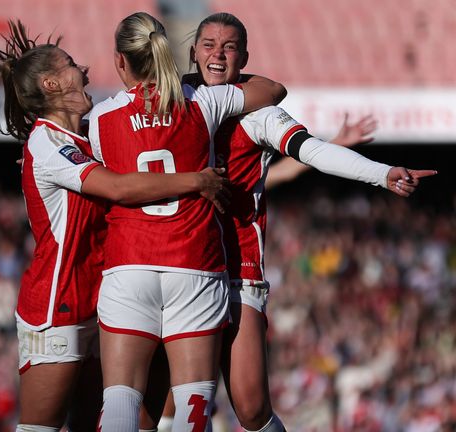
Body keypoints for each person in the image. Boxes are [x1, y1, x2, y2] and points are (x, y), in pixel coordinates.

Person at [143, 13, 437, 432]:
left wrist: (381, 172)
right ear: (193, 51)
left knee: (250, 408)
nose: (218, 54)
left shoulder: (260, 112)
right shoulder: (174, 101)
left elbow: (310, 150)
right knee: (171, 403)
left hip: (237, 272)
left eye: (229, 47)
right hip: (178, 266)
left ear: (245, 56)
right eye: (208, 44)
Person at [0, 21, 233, 432]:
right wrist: (196, 179)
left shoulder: (86, 138)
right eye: (69, 65)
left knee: (111, 420)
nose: (82, 69)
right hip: (58, 302)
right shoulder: (47, 142)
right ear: (50, 84)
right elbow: (117, 187)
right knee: (39, 428)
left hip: (103, 297)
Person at [86, 12, 288, 431]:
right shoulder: (202, 102)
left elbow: (105, 181)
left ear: (120, 61)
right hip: (194, 263)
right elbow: (273, 90)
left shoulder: (100, 119)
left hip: (129, 264)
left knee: (123, 404)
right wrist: (221, 68)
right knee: (193, 407)